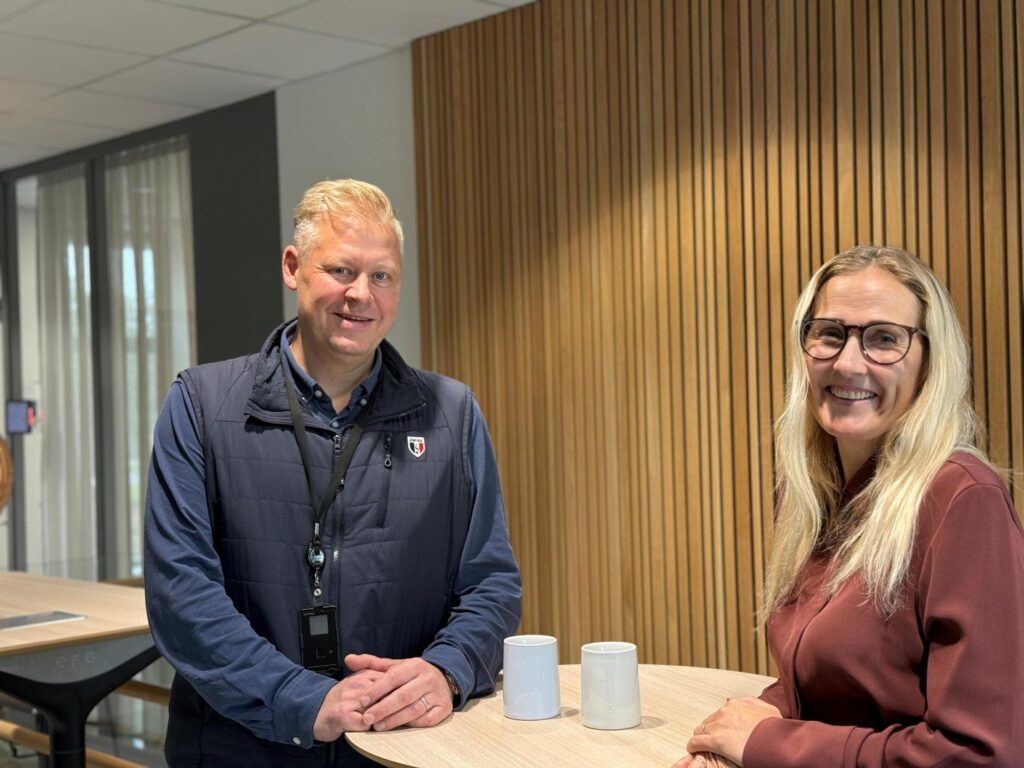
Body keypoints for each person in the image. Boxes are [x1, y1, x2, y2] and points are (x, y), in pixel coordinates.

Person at [145, 179, 522, 766]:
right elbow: (181, 594)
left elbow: (491, 584)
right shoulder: (201, 404)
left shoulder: (452, 414)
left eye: (382, 276)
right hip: (238, 748)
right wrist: (300, 699)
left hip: (406, 748)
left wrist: (446, 671)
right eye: (341, 270)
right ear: (293, 268)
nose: (361, 295)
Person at [675, 246, 1024, 768]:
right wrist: (736, 736)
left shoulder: (963, 501)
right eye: (830, 334)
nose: (848, 361)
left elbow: (979, 754)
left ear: (930, 361)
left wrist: (767, 743)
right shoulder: (809, 493)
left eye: (884, 338)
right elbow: (822, 688)